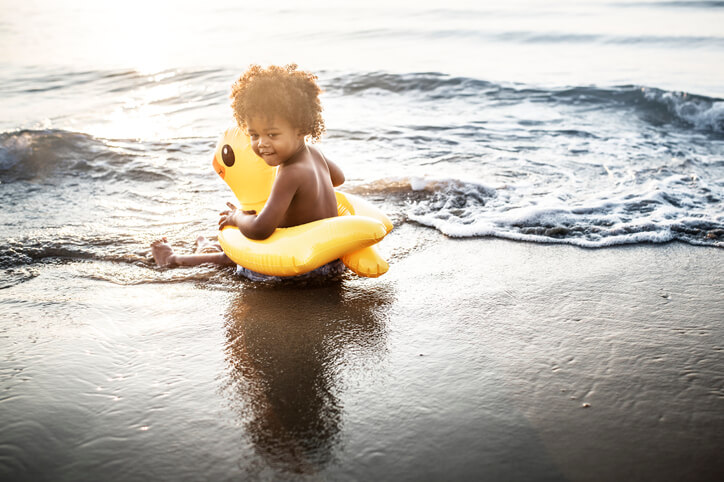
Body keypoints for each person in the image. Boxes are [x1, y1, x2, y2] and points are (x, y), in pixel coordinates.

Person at [151, 64, 345, 280]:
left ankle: (174, 260)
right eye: (253, 135)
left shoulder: (291, 172)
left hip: (304, 270)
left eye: (272, 134)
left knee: (234, 257)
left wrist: (237, 217)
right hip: (332, 263)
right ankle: (206, 246)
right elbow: (339, 178)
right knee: (241, 242)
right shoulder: (314, 154)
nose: (262, 144)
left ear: (301, 129)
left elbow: (260, 229)